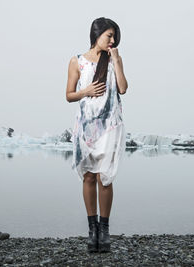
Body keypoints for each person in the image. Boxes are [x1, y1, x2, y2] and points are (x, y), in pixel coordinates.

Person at [65, 17, 128, 253]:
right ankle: (92, 230)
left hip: (110, 124)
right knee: (89, 177)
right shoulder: (77, 61)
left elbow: (122, 88)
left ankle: (105, 229)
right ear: (96, 34)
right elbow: (69, 95)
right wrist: (86, 91)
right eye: (109, 36)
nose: (112, 40)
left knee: (105, 177)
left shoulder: (113, 60)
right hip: (86, 127)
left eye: (114, 37)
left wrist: (117, 62)